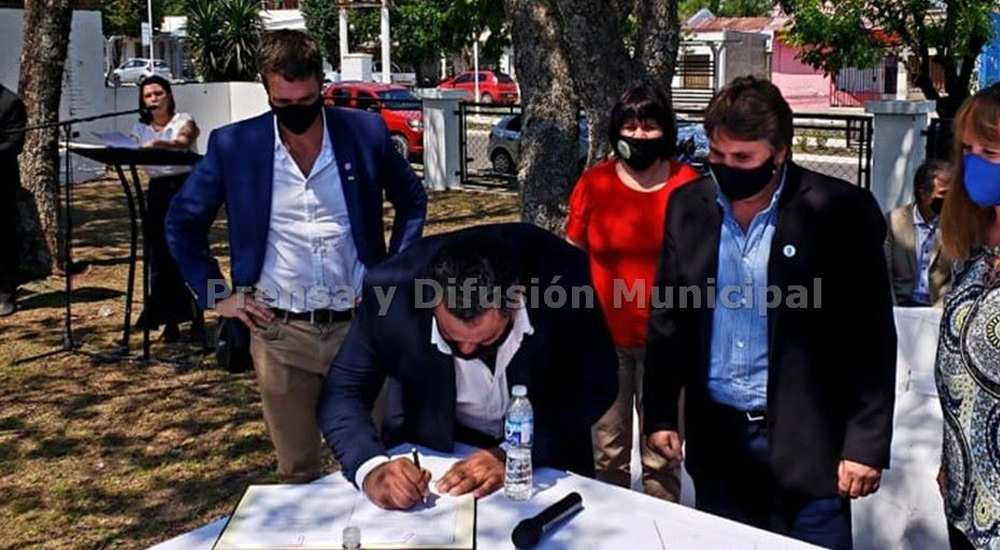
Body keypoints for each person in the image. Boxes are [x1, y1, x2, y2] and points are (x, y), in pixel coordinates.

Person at [644, 76, 896, 550]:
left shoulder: (839, 212)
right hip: (720, 446)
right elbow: (669, 320)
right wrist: (659, 414)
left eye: (743, 158)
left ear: (780, 152)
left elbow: (871, 340)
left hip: (811, 450)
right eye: (717, 155)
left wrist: (865, 444)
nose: (726, 168)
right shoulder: (688, 207)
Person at [166, 30, 427, 483]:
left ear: (321, 85)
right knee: (297, 471)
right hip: (279, 332)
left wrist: (390, 277)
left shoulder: (363, 133)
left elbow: (412, 199)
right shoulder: (235, 145)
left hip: (362, 326)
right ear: (265, 89)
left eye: (306, 100)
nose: (296, 112)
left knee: (381, 461)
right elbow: (182, 222)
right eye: (282, 103)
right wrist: (217, 295)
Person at [318, 223, 618, 510]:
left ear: (515, 303)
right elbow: (343, 391)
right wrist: (372, 469)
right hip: (437, 457)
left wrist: (511, 454)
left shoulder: (563, 278)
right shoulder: (391, 293)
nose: (466, 351)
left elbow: (598, 381)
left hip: (545, 460)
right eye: (450, 338)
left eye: (486, 341)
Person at [566, 84, 699, 502]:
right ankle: (612, 527)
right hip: (606, 341)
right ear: (616, 130)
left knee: (663, 457)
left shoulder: (689, 185)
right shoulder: (594, 183)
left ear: (666, 130)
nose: (639, 135)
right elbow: (572, 254)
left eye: (650, 126)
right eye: (631, 125)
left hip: (669, 345)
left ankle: (660, 528)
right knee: (607, 453)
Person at [935, 83, 1000, 550]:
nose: (974, 163)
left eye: (990, 152)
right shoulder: (974, 244)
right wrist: (952, 458)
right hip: (965, 497)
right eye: (967, 150)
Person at [130, 75, 202, 341]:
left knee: (187, 252)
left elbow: (182, 142)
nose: (154, 99)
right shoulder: (140, 128)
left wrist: (157, 144)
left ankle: (201, 312)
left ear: (169, 95)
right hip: (158, 190)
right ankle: (168, 319)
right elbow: (130, 148)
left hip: (184, 187)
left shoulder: (184, 120)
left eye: (158, 93)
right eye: (148, 96)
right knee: (159, 256)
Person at [885, 158, 953, 307]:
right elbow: (885, 270)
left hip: (938, 307)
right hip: (901, 304)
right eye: (943, 194)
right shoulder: (894, 222)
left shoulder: (954, 226)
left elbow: (960, 274)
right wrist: (893, 309)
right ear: (923, 194)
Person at [0, 83, 26, 317]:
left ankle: (5, 294)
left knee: (3, 239)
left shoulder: (10, 102)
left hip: (2, 183)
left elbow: (15, 144)